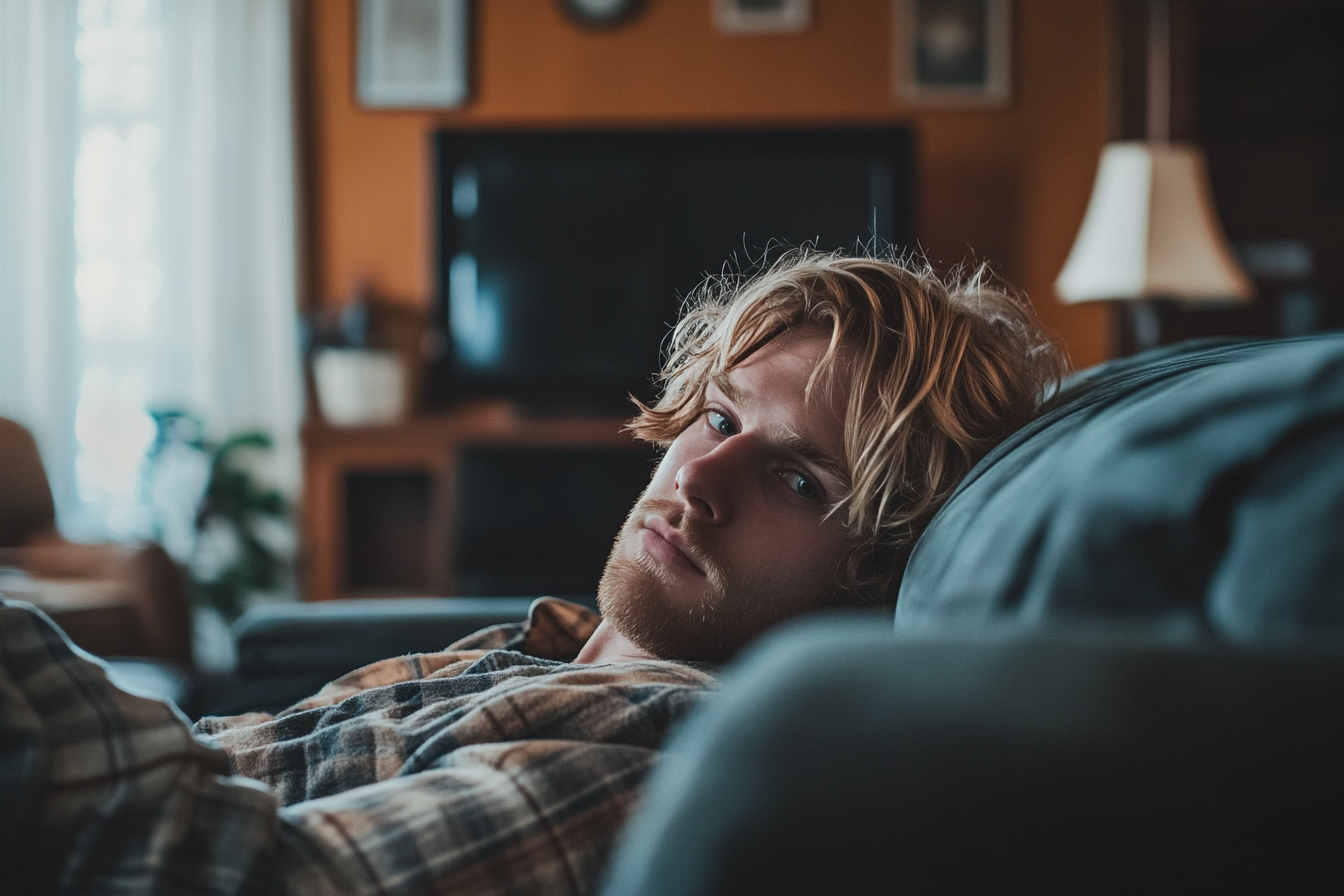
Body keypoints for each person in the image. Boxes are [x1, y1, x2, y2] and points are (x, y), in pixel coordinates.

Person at [1, 251, 1064, 895]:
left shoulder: (657, 761)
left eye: (797, 480)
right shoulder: (537, 653)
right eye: (719, 416)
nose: (700, 479)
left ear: (876, 567)